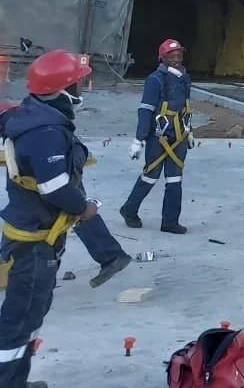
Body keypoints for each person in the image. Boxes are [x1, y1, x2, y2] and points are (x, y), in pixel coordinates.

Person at [0, 50, 114, 388]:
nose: (80, 90)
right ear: (62, 91)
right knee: (19, 320)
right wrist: (84, 208)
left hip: (35, 237)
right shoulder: (46, 131)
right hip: (35, 244)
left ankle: (16, 380)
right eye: (77, 84)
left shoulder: (31, 116)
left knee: (30, 315)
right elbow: (55, 187)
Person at [0, 102, 130, 289]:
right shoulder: (28, 120)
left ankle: (111, 256)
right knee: (70, 207)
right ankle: (111, 255)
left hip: (60, 163)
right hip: (60, 160)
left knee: (68, 208)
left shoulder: (24, 125)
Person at [119, 38, 193, 234]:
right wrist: (138, 140)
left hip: (178, 136)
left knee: (174, 179)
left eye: (179, 54)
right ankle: (129, 209)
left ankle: (170, 222)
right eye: (172, 55)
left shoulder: (184, 78)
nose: (177, 58)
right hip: (157, 137)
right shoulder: (155, 80)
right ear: (163, 58)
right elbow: (145, 110)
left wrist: (189, 130)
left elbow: (185, 107)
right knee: (151, 176)